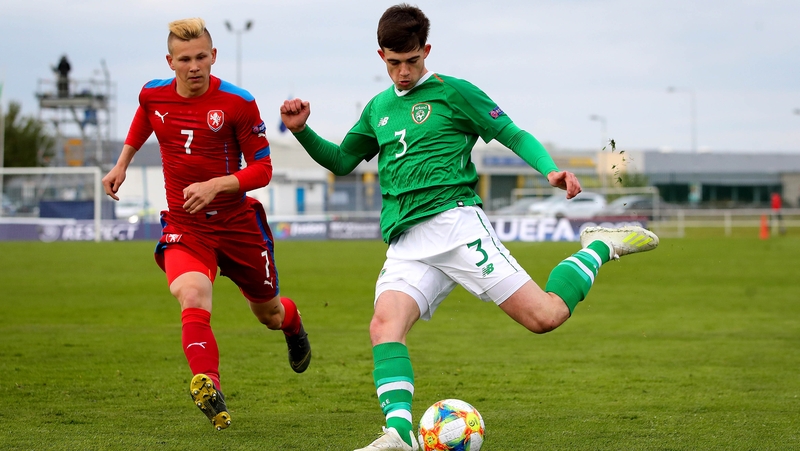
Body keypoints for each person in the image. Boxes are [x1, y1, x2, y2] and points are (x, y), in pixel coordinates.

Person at [281, 4, 659, 450]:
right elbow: (342, 160)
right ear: (380, 55)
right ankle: (399, 435)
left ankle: (598, 247)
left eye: (412, 62)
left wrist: (550, 171)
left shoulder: (455, 93)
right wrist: (303, 131)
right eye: (393, 63)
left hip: (457, 224)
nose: (403, 73)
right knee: (384, 327)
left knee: (546, 317)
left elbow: (512, 133)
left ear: (426, 50)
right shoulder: (378, 108)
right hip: (406, 239)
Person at [102, 17, 311, 431]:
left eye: (201, 57)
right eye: (185, 59)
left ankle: (293, 324)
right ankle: (207, 383)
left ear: (214, 56)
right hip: (186, 225)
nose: (194, 66)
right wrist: (121, 164)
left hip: (237, 225)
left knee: (267, 313)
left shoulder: (237, 103)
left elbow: (264, 169)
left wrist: (217, 184)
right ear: (171, 61)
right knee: (192, 294)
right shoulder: (153, 95)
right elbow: (146, 115)